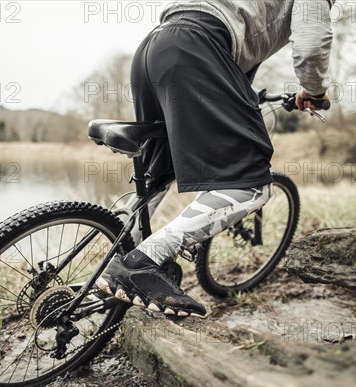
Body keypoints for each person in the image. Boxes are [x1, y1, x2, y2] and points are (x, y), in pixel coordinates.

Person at [96, 0, 334, 317]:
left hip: (156, 45)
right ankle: (140, 264)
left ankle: (108, 263)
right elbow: (310, 45)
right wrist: (314, 91)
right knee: (250, 184)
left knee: (159, 175)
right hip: (195, 46)